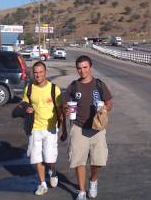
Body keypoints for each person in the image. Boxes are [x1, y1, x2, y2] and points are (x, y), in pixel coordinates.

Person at [64, 55, 113, 200]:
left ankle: (93, 180)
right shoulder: (73, 86)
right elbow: (66, 104)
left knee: (98, 161)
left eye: (85, 67)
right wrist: (67, 110)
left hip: (97, 128)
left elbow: (109, 103)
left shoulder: (99, 84)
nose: (82, 71)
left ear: (90, 67)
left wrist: (104, 108)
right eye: (79, 68)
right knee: (79, 161)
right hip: (78, 128)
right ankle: (82, 191)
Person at [22, 61, 67, 196]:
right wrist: (26, 108)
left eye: (40, 72)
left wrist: (63, 128)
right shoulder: (29, 88)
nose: (38, 75)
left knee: (50, 158)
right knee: (37, 158)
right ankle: (42, 184)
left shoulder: (54, 89)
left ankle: (52, 171)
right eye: (35, 72)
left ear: (45, 73)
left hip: (50, 128)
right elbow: (25, 102)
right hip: (34, 128)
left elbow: (60, 111)